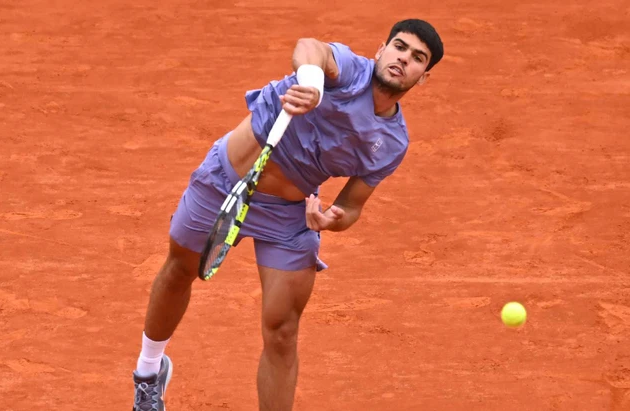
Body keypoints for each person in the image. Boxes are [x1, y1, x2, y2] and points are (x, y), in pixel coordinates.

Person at [131, 18, 444, 411]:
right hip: (224, 181)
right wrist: (312, 83)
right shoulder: (349, 71)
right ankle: (148, 371)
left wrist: (332, 218)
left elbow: (352, 205)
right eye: (399, 47)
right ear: (381, 50)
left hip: (287, 216)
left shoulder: (392, 142)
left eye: (417, 58)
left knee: (283, 330)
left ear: (423, 77)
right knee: (179, 270)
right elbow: (310, 47)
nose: (404, 59)